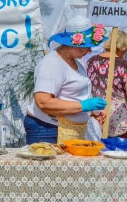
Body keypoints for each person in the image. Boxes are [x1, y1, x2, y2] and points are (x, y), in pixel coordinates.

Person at [25, 16, 108, 145]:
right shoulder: (52, 63)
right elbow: (43, 102)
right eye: (86, 46)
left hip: (67, 130)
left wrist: (91, 112)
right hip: (48, 130)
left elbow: (70, 95)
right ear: (71, 44)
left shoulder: (76, 62)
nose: (89, 50)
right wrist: (83, 106)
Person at [87, 31, 127, 138]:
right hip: (119, 118)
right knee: (120, 153)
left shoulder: (91, 61)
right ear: (123, 47)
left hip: (96, 114)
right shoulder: (125, 65)